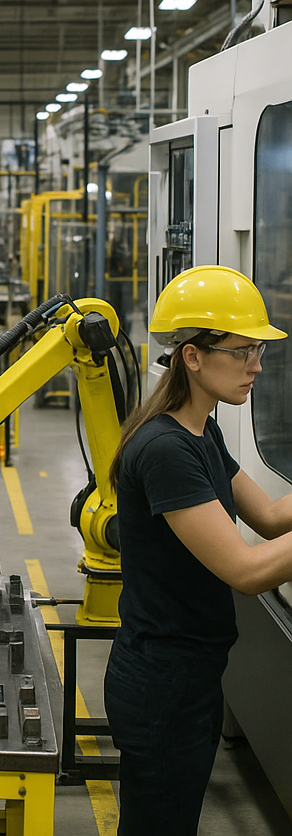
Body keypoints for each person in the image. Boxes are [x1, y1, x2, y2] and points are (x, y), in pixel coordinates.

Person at [105, 264, 292, 836]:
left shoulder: (200, 430)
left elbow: (269, 515)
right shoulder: (165, 448)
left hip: (194, 672)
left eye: (258, 350)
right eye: (243, 352)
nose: (256, 366)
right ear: (192, 356)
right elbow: (246, 569)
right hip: (162, 683)